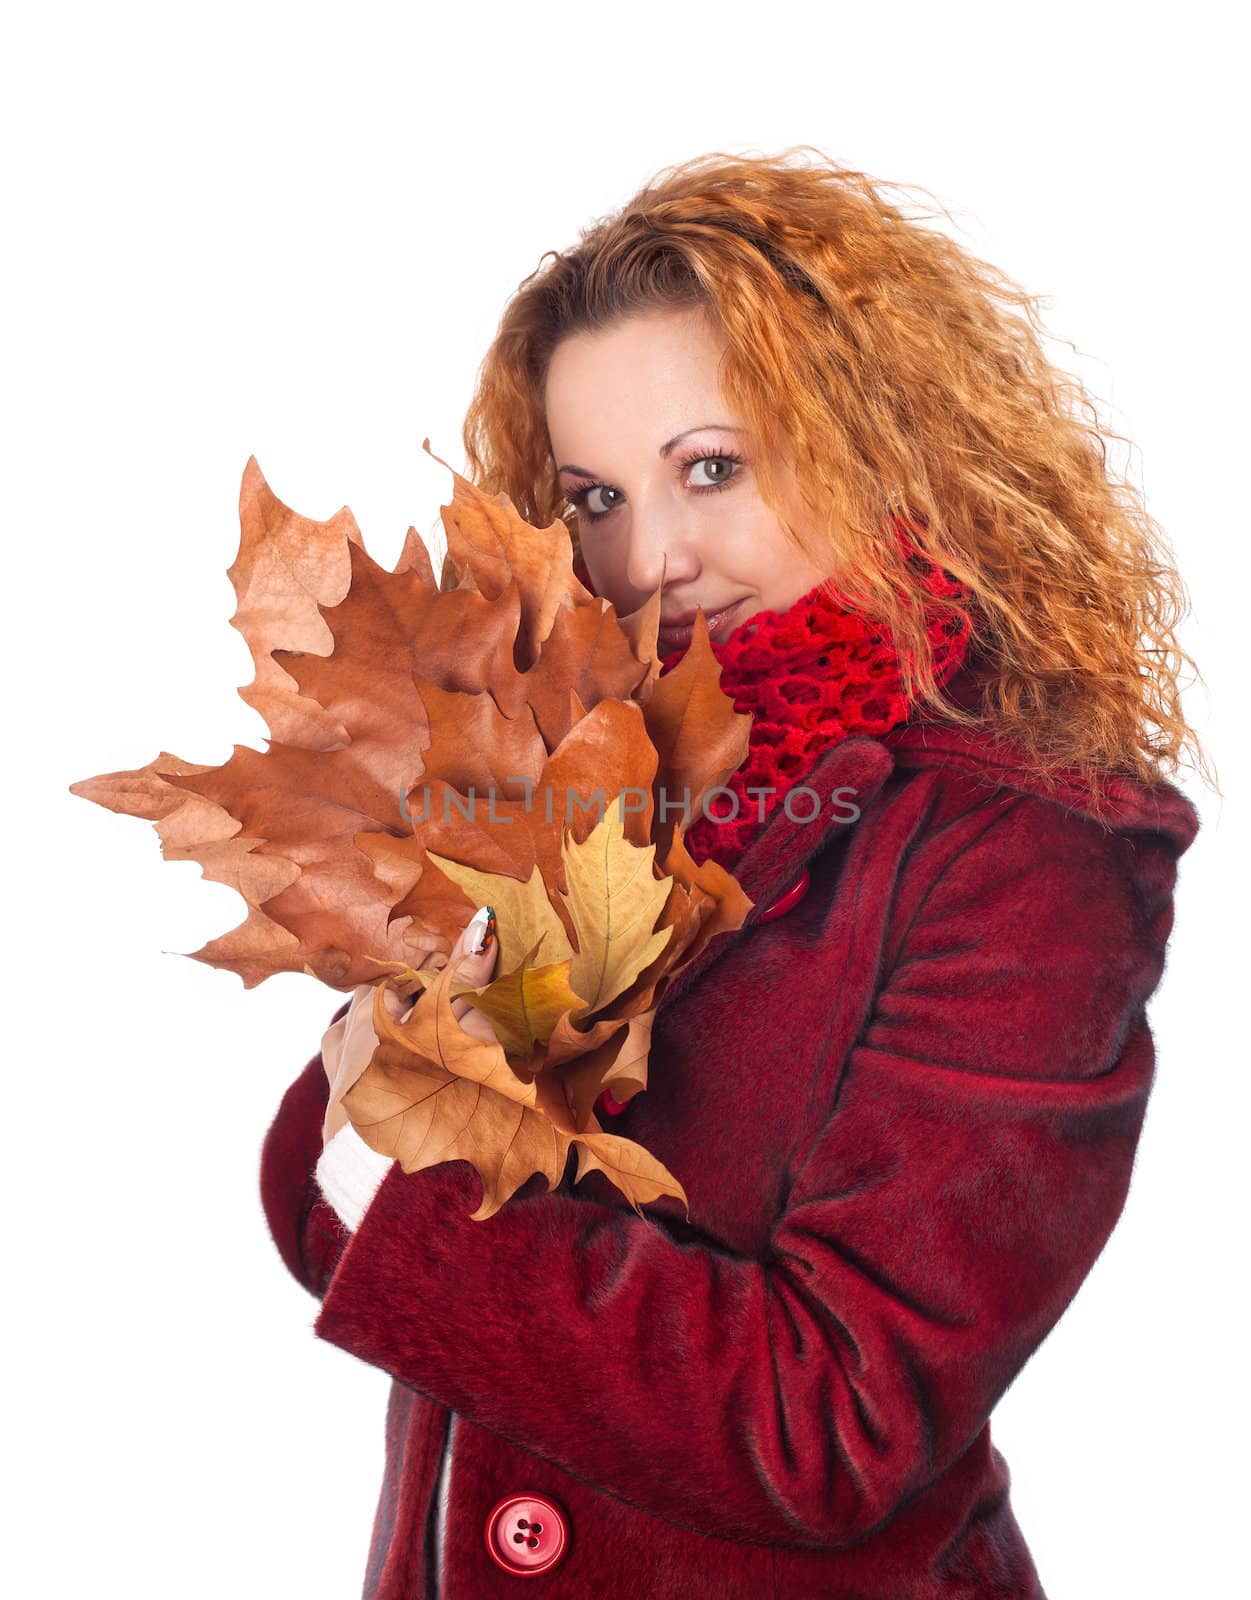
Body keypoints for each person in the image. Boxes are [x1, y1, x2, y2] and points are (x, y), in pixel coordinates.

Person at [260, 147, 1213, 1599]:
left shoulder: (1026, 849)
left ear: (876, 447)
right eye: (593, 497)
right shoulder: (594, 766)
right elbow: (320, 1211)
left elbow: (834, 1420)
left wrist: (402, 1170)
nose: (651, 556)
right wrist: (391, 1064)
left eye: (713, 467)